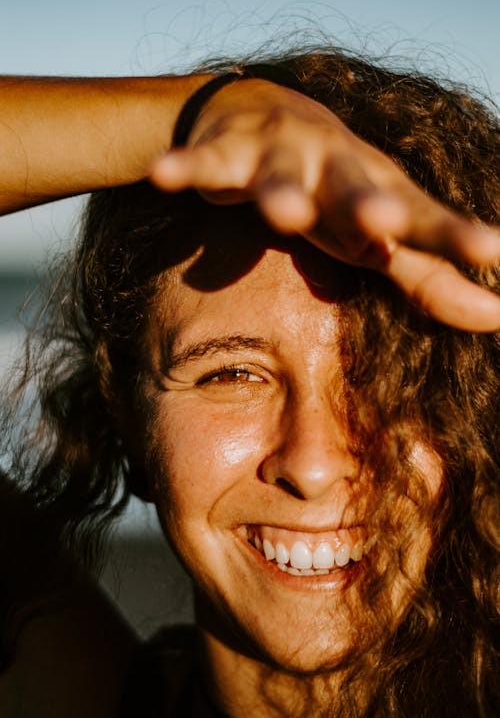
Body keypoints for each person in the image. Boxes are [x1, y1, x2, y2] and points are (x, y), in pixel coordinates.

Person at [0, 47, 498, 717]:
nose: (314, 466)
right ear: (124, 412)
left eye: (387, 374)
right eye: (233, 373)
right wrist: (202, 112)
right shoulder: (68, 686)